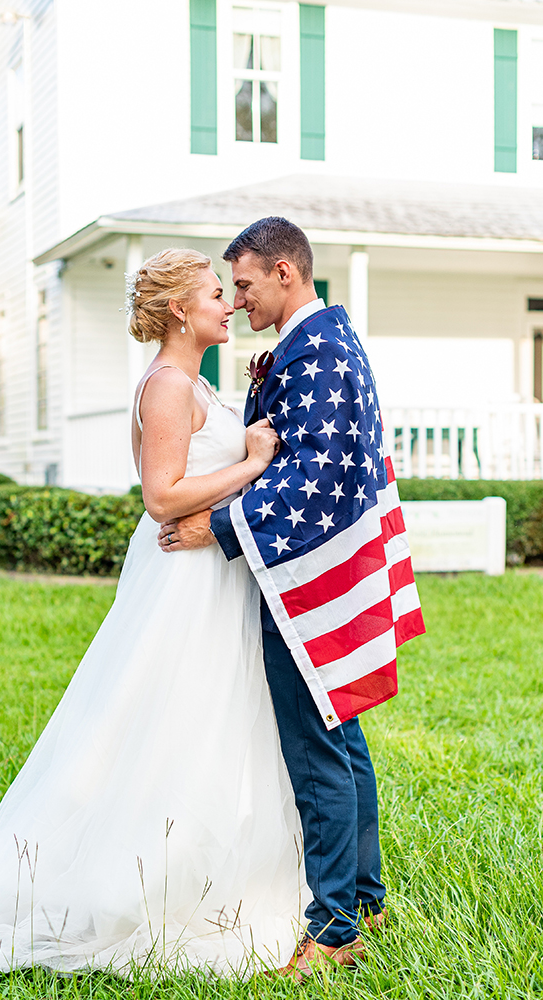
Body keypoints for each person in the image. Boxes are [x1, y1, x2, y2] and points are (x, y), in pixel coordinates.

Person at [0, 248, 310, 977]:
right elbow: (162, 496)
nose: (227, 302)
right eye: (213, 292)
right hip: (184, 574)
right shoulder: (168, 385)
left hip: (211, 571)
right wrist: (253, 464)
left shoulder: (192, 381)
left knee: (215, 717)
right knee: (171, 716)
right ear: (179, 309)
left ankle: (222, 865)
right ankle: (146, 877)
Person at [158, 218, 424, 981]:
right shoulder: (317, 346)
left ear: (284, 273)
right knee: (339, 736)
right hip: (322, 571)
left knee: (314, 751)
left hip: (311, 578)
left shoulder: (319, 353)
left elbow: (313, 479)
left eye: (241, 284)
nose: (236, 300)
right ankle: (364, 900)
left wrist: (219, 527)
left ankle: (335, 929)